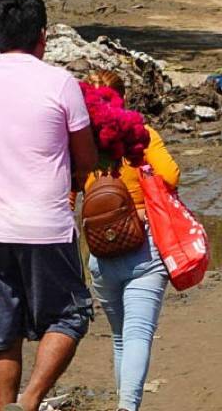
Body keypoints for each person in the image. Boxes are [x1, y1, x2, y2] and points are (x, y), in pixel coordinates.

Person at [0, 0, 98, 411]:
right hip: (45, 224)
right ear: (43, 37)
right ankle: (30, 401)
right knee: (70, 315)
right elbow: (86, 159)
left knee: (2, 332)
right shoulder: (60, 82)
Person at [81, 70, 181, 411]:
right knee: (139, 334)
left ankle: (126, 404)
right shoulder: (142, 135)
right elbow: (171, 175)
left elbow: (67, 191)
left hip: (100, 253)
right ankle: (127, 408)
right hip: (143, 247)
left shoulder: (82, 145)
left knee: (121, 338)